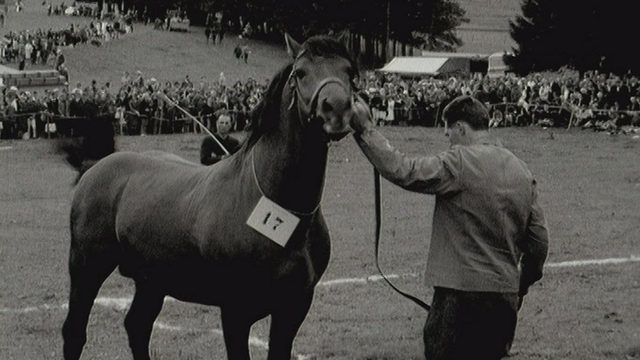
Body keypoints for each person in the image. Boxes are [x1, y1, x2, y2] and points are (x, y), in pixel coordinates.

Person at [350, 95, 549, 360]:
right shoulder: (522, 171)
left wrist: (366, 131)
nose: (448, 139)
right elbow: (539, 242)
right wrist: (519, 286)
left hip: (457, 300)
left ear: (461, 128)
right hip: (503, 300)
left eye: (449, 132)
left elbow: (405, 171)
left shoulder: (458, 161)